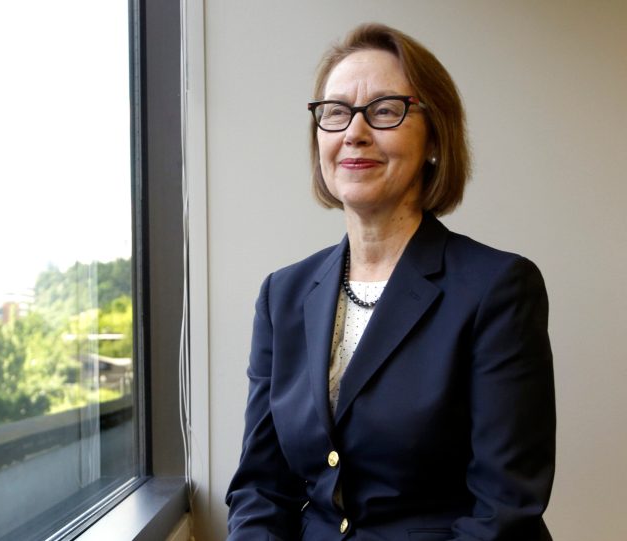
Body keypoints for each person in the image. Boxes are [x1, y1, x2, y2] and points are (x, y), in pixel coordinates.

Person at [226, 23, 555, 541]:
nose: (354, 131)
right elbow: (261, 489)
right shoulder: (281, 295)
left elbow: (504, 512)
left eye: (384, 110)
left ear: (433, 138)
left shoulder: (499, 289)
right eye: (335, 112)